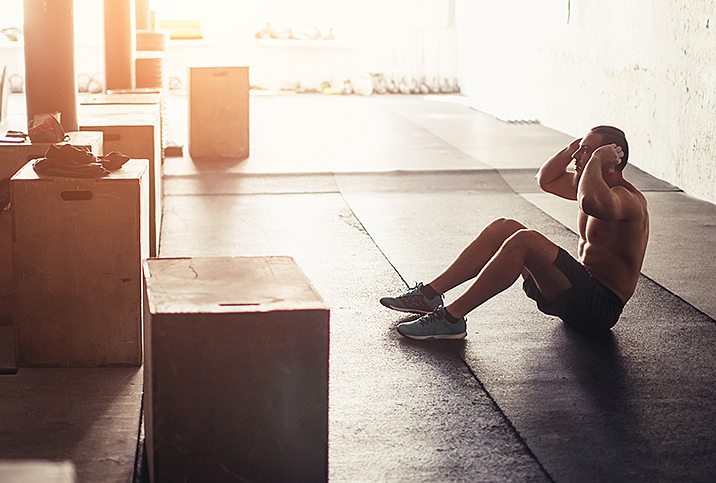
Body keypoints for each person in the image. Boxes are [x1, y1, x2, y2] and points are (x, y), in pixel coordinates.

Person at [380, 125, 649, 340]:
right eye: (580, 152)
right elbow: (546, 179)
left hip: (599, 309)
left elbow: (591, 201)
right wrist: (575, 148)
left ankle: (450, 319)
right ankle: (429, 294)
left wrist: (597, 157)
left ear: (612, 163)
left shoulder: (627, 200)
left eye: (585, 153)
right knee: (505, 227)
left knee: (525, 240)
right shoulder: (588, 185)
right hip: (573, 294)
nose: (578, 159)